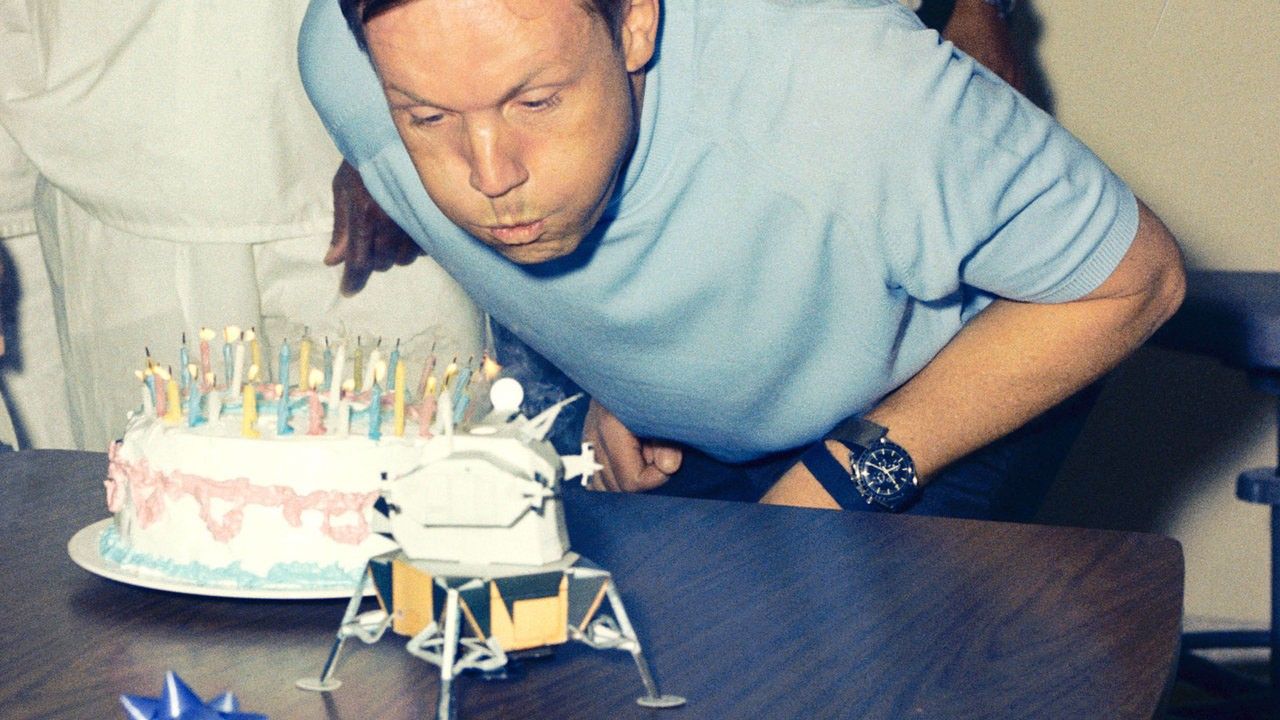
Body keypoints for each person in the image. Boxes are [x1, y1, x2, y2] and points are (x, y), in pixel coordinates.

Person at [299, 0, 1184, 516]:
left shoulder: (855, 90)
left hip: (941, 379)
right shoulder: (346, 75)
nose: (490, 176)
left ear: (637, 22)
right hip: (708, 416)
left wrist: (848, 477)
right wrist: (624, 369)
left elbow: (1134, 280)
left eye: (535, 100)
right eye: (428, 118)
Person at [0, 1, 485, 451]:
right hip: (99, 170)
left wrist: (383, 134)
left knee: (424, 489)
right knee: (169, 508)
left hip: (352, 149)